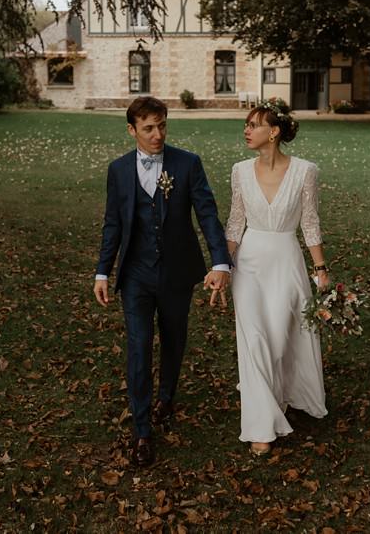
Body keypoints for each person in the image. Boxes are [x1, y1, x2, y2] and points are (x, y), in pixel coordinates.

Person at [94, 96, 232, 467]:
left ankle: (166, 397)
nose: (158, 135)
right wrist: (103, 271)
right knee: (139, 348)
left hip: (176, 272)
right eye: (149, 128)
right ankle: (141, 432)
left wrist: (221, 261)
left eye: (163, 126)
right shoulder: (118, 170)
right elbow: (113, 224)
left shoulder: (187, 164)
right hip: (136, 274)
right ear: (132, 130)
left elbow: (207, 214)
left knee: (174, 340)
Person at [225, 98, 329, 455]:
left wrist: (321, 270)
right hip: (249, 264)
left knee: (279, 341)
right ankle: (260, 426)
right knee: (253, 340)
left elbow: (310, 222)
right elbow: (235, 222)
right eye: (246, 124)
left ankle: (281, 393)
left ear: (275, 132)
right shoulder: (239, 171)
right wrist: (223, 267)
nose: (247, 130)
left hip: (286, 261)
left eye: (254, 125)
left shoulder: (304, 171)